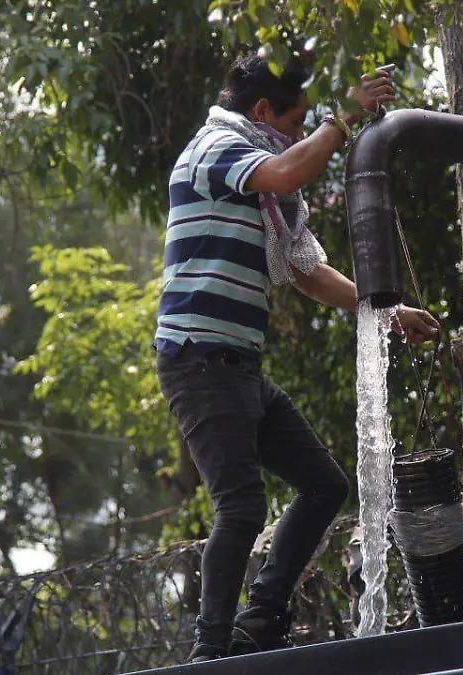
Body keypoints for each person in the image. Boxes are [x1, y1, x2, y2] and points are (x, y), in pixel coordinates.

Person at [154, 51, 440, 663]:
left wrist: (389, 313)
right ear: (262, 112)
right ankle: (210, 651)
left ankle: (258, 620)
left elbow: (310, 274)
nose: (301, 136)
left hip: (237, 367)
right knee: (241, 505)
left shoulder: (265, 190)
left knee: (323, 484)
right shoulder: (214, 148)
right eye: (296, 122)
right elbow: (286, 172)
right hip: (199, 359)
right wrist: (342, 118)